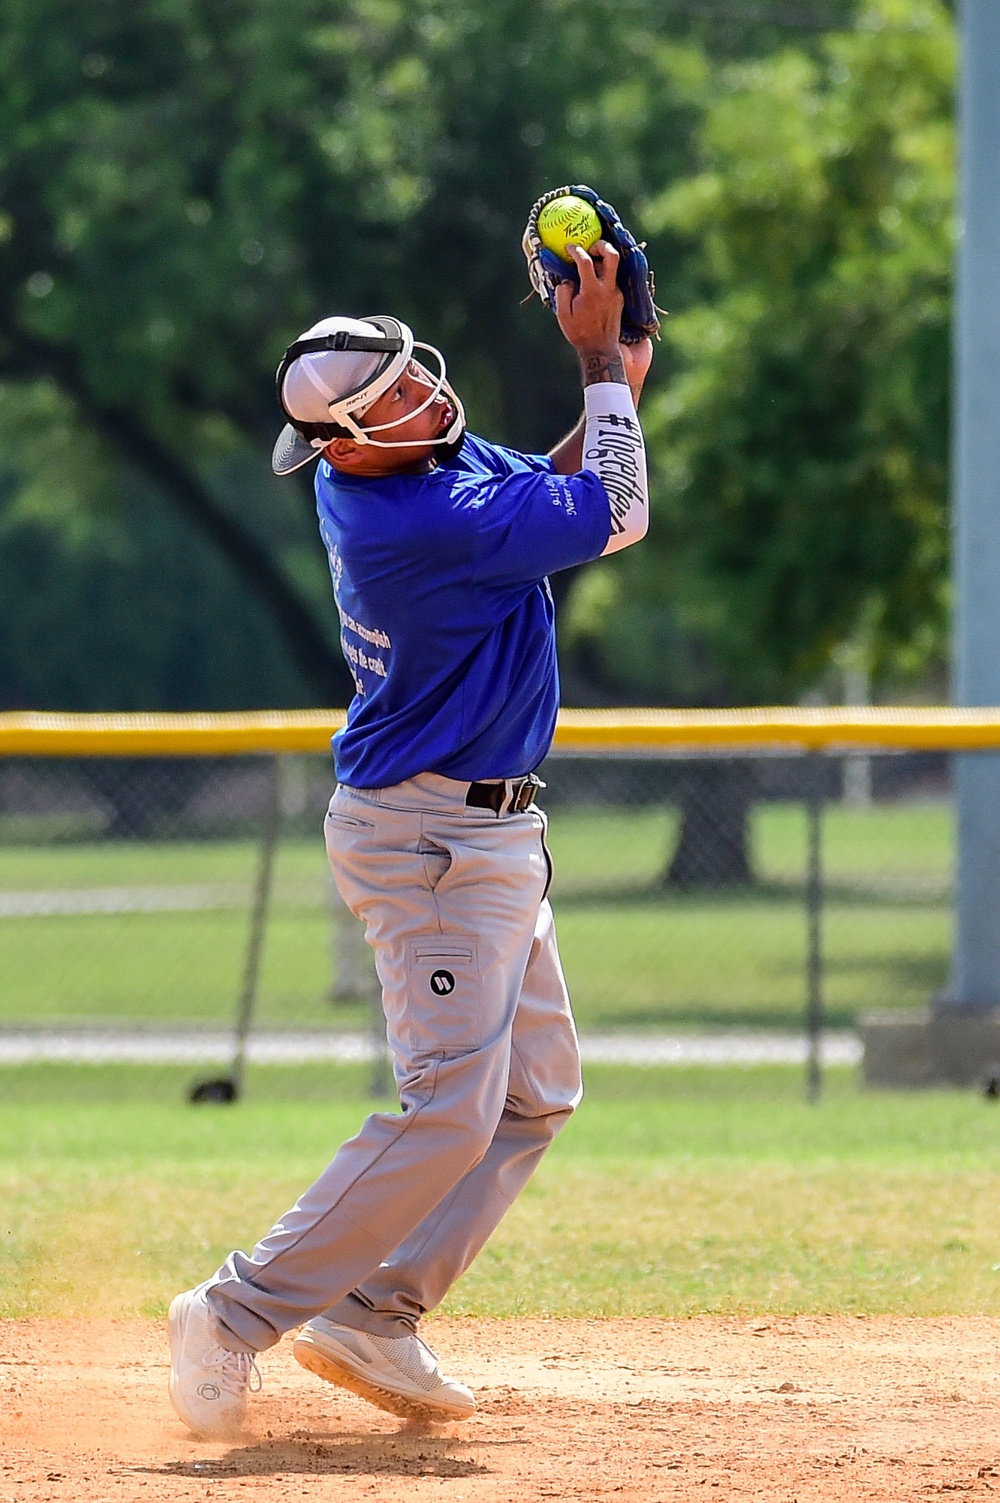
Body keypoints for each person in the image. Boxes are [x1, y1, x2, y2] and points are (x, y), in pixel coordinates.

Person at [168, 241, 652, 1438]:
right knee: (449, 1107)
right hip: (431, 839)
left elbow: (550, 496)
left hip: (481, 832)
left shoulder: (419, 467)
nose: (420, 393)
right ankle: (234, 1312)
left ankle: (375, 1312)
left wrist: (617, 386)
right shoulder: (412, 519)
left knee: (533, 1095)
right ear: (341, 443)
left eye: (408, 371)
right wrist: (593, 361)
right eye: (384, 397)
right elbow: (617, 516)